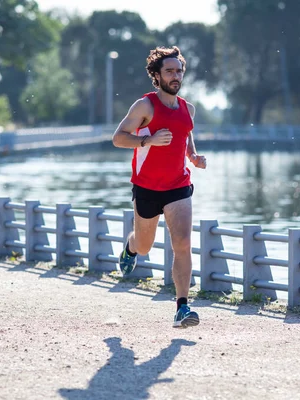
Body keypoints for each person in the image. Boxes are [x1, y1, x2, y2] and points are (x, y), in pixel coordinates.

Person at [112, 46, 207, 329]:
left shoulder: (187, 108)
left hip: (179, 185)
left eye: (179, 71)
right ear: (157, 75)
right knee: (144, 246)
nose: (176, 76)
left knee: (183, 244)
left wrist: (193, 157)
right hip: (147, 187)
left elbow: (185, 136)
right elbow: (118, 138)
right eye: (169, 71)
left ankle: (182, 307)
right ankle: (130, 247)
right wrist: (147, 141)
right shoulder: (145, 106)